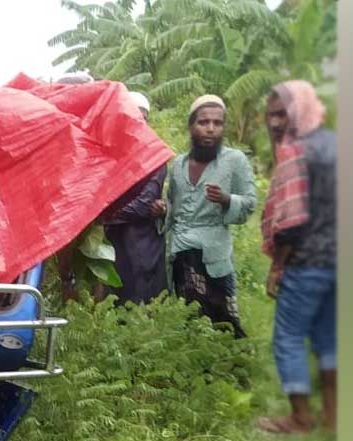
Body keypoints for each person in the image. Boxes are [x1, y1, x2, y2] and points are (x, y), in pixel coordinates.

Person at [255, 80, 337, 434]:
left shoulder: (295, 151)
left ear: (299, 110)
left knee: (288, 337)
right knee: (327, 339)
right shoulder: (334, 146)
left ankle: (301, 417)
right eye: (270, 115)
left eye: (282, 114)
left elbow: (291, 220)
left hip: (306, 262)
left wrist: (277, 265)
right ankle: (333, 418)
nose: (275, 123)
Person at [154, 94, 255, 338]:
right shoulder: (178, 164)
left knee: (225, 321)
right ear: (191, 126)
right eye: (203, 122)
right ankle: (196, 368)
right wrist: (163, 209)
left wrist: (227, 199)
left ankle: (233, 368)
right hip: (181, 253)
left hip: (214, 254)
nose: (210, 129)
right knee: (189, 320)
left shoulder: (235, 161)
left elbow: (250, 203)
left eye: (217, 123)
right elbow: (175, 204)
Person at [102, 92, 168, 304]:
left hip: (142, 242)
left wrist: (104, 216)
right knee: (112, 299)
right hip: (112, 240)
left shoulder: (155, 156)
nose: (138, 122)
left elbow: (144, 204)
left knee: (141, 299)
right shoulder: (109, 152)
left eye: (143, 118)